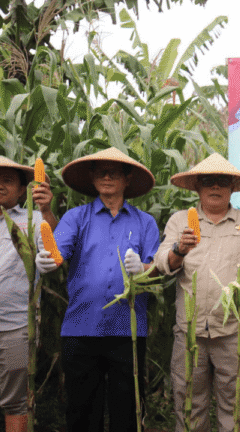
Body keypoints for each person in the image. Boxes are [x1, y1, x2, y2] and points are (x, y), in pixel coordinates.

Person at [35, 147, 159, 432]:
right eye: (101, 171)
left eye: (114, 172)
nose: (107, 176)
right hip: (81, 327)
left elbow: (158, 268)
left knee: (126, 414)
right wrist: (48, 260)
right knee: (82, 413)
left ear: (127, 178)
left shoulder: (145, 222)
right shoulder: (76, 218)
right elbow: (58, 252)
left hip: (128, 331)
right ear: (92, 178)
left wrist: (143, 269)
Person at [155, 153, 240, 432]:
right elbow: (163, 262)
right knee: (189, 405)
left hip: (234, 330)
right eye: (208, 181)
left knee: (235, 407)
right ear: (197, 187)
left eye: (222, 181)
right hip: (190, 329)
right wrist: (179, 249)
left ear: (232, 187)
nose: (215, 186)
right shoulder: (180, 221)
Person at [0, 156, 56, 432]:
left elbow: (53, 247)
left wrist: (46, 209)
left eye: (7, 181)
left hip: (15, 326)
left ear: (22, 190)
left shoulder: (34, 219)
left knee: (16, 403)